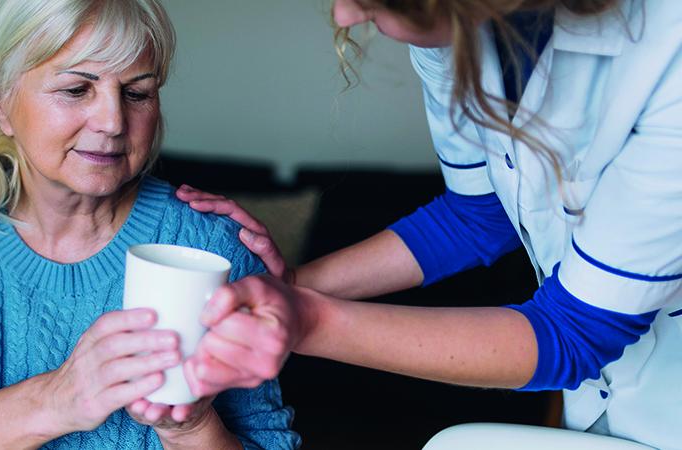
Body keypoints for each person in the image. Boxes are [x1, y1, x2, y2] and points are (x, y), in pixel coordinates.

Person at [177, 0, 682, 448]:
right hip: (604, 400)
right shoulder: (455, 31)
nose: (345, 15)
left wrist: (308, 320)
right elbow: (478, 217)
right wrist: (287, 287)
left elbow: (572, 332)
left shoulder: (669, 54)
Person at [0, 1, 300, 449]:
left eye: (137, 93)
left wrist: (191, 428)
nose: (112, 122)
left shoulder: (208, 244)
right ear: (1, 99)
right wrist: (60, 399)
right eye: (75, 89)